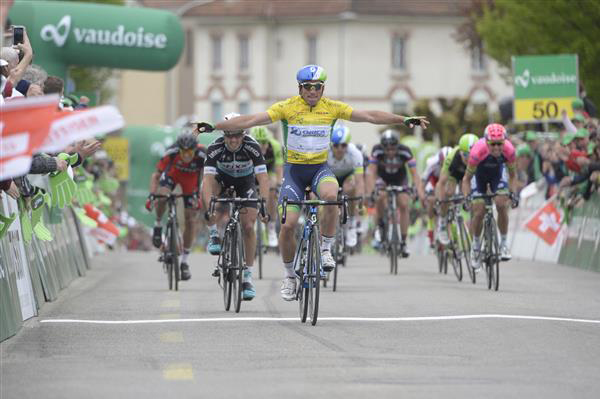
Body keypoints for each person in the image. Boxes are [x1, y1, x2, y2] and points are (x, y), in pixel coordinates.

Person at [195, 64, 428, 301]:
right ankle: (289, 276)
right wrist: (215, 127)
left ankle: (326, 249)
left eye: (317, 87)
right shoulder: (287, 107)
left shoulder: (332, 108)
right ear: (300, 88)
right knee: (288, 227)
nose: (313, 91)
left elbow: (369, 116)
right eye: (308, 87)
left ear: (323, 88)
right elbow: (251, 120)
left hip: (319, 170)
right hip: (294, 173)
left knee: (331, 196)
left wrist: (403, 119)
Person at [201, 113, 270, 301]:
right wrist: (209, 209)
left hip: (245, 183)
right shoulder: (214, 148)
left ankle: (247, 277)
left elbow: (263, 178)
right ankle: (214, 234)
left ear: (243, 133)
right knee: (206, 194)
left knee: (248, 226)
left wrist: (264, 205)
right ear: (223, 135)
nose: (233, 139)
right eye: (229, 135)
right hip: (221, 181)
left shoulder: (252, 146)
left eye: (237, 135)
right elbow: (207, 181)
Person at [147, 133, 206, 281]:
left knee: (191, 219)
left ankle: (184, 262)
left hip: (191, 184)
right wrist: (151, 195)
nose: (186, 155)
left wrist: (201, 198)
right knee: (162, 196)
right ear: (179, 149)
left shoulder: (202, 155)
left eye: (189, 152)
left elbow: (208, 179)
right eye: (183, 151)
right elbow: (156, 175)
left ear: (195, 149)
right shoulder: (171, 152)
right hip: (172, 177)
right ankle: (158, 224)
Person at [461, 123, 518, 270]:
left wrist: (513, 193)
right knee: (479, 211)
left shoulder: (509, 150)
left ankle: (504, 244)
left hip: (497, 176)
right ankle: (475, 247)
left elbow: (512, 175)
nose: (497, 148)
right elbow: (466, 179)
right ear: (486, 142)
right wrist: (467, 197)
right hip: (478, 177)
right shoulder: (476, 152)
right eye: (493, 144)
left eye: (500, 144)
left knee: (501, 204)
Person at [366, 129, 426, 256]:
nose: (390, 152)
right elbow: (371, 172)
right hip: (382, 178)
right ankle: (381, 224)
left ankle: (403, 243)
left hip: (400, 179)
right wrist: (371, 192)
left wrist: (416, 189)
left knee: (404, 204)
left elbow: (415, 174)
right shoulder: (377, 150)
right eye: (387, 149)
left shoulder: (405, 151)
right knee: (380, 196)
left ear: (398, 146)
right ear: (382, 147)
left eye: (393, 148)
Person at [435, 133, 478, 245]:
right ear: (460, 152)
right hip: (455, 174)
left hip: (471, 174)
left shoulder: (480, 155)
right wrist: (441, 200)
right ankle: (443, 223)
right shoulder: (452, 157)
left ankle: (475, 241)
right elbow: (441, 182)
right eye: (465, 155)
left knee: (476, 201)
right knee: (449, 192)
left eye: (471, 155)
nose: (468, 159)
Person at [326, 122, 365, 247]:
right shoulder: (325, 152)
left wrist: (360, 202)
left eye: (343, 145)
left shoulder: (355, 153)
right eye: (336, 145)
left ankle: (352, 223)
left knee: (351, 188)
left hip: (348, 176)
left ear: (348, 144)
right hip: (330, 176)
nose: (339, 149)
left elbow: (360, 181)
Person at [250, 126, 283, 248]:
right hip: (252, 173)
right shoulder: (248, 147)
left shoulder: (275, 146)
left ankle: (271, 228)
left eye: (264, 142)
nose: (262, 145)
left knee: (272, 187)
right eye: (258, 142)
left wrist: (279, 185)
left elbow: (279, 168)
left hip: (269, 172)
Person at [422, 146, 452, 247]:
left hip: (448, 182)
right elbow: (424, 180)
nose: (444, 166)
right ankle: (430, 224)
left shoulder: (454, 163)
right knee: (431, 200)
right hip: (434, 181)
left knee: (450, 199)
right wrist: (422, 196)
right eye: (442, 163)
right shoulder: (432, 163)